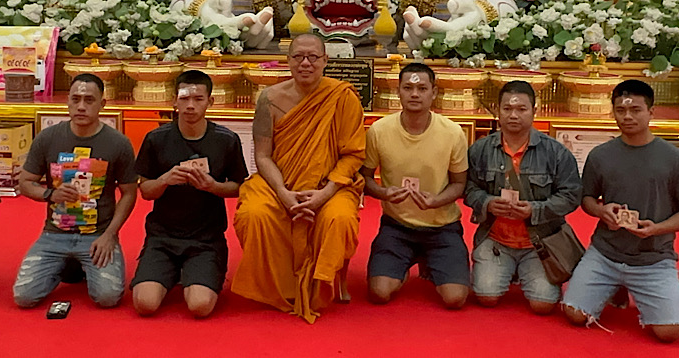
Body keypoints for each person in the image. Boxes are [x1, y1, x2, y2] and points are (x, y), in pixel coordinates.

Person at [231, 33, 366, 323]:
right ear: (288, 61)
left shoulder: (342, 97)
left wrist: (324, 194)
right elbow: (263, 156)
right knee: (254, 213)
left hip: (329, 185)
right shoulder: (269, 98)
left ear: (325, 61)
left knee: (339, 218)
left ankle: (321, 281)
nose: (306, 63)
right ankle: (278, 286)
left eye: (313, 57)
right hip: (279, 183)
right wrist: (283, 192)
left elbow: (353, 155)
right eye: (299, 57)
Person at [562, 80, 679, 342]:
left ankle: (631, 286)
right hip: (605, 253)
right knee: (575, 314)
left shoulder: (675, 160)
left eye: (636, 110)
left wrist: (657, 229)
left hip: (653, 258)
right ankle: (614, 285)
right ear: (613, 112)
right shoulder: (600, 155)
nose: (627, 116)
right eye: (621, 110)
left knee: (670, 332)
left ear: (651, 112)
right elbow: (587, 199)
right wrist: (602, 211)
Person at [130, 70, 249, 318]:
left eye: (198, 99)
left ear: (210, 101)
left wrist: (212, 186)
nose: (190, 105)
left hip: (206, 240)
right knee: (145, 304)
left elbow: (239, 187)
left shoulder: (226, 140)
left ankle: (199, 271)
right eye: (184, 98)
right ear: (175, 100)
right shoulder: (156, 139)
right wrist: (165, 180)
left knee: (200, 306)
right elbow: (146, 192)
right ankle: (170, 271)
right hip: (162, 238)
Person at [13, 73, 137, 308]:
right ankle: (65, 266)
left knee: (108, 298)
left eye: (89, 100)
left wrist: (110, 235)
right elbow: (25, 182)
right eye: (75, 99)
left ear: (102, 104)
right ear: (67, 101)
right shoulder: (48, 138)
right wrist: (50, 194)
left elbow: (129, 193)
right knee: (24, 297)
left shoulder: (118, 143)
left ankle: (78, 264)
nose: (81, 106)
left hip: (97, 235)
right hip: (54, 234)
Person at [464, 81, 581, 314]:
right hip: (496, 239)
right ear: (497, 110)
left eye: (521, 109)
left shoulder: (555, 152)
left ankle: (523, 269)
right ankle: (506, 268)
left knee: (543, 305)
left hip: (539, 242)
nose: (513, 115)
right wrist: (487, 203)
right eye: (507, 109)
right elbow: (468, 188)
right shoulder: (480, 149)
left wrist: (535, 210)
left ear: (534, 111)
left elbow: (571, 195)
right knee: (486, 297)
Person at [361, 62, 469, 309]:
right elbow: (364, 178)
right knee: (379, 293)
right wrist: (383, 193)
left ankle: (431, 259)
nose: (414, 94)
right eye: (408, 88)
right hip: (397, 227)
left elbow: (460, 183)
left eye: (422, 89)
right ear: (398, 91)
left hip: (442, 227)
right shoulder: (379, 130)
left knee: (455, 299)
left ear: (434, 92)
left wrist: (436, 201)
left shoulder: (452, 132)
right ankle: (404, 264)